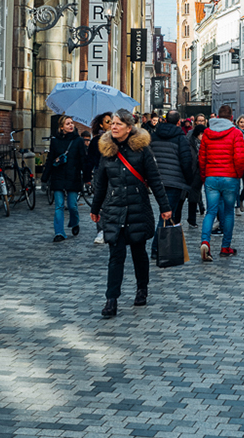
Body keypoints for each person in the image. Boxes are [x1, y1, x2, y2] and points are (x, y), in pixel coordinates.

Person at [90, 110, 171, 318]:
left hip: (137, 208)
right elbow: (101, 183)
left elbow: (155, 179)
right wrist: (95, 208)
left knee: (138, 253)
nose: (113, 127)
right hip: (114, 209)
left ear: (129, 127)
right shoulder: (106, 150)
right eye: (112, 124)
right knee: (115, 256)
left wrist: (165, 207)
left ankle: (142, 288)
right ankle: (111, 299)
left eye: (118, 124)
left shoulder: (142, 150)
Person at [198, 104, 244, 261]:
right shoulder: (236, 133)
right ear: (232, 118)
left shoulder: (206, 133)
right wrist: (238, 175)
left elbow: (202, 158)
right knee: (228, 212)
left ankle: (205, 241)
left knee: (210, 212)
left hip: (211, 177)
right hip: (229, 177)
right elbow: (239, 158)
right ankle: (225, 247)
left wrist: (205, 176)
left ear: (217, 117)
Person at [149, 110, 194, 260]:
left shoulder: (154, 136)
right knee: (167, 214)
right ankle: (157, 248)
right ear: (178, 122)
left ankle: (161, 247)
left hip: (157, 180)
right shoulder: (181, 138)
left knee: (166, 213)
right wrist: (189, 180)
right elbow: (186, 161)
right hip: (174, 181)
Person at [42, 115, 87, 243]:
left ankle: (74, 222)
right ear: (61, 127)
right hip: (58, 176)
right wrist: (45, 177)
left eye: (72, 123)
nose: (71, 125)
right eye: (68, 124)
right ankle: (59, 232)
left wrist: (87, 176)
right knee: (59, 206)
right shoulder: (55, 141)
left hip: (73, 176)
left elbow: (83, 160)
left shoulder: (78, 141)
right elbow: (51, 159)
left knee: (72, 205)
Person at [85, 113, 112, 244]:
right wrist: (87, 177)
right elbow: (90, 159)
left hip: (114, 174)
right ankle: (101, 230)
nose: (111, 123)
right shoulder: (96, 141)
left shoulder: (117, 139)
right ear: (101, 124)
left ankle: (112, 228)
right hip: (99, 174)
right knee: (100, 202)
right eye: (107, 121)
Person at [186, 123, 206, 228]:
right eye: (202, 133)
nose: (203, 136)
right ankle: (190, 219)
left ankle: (192, 218)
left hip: (200, 172)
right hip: (191, 172)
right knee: (189, 196)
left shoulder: (205, 143)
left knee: (195, 195)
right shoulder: (190, 143)